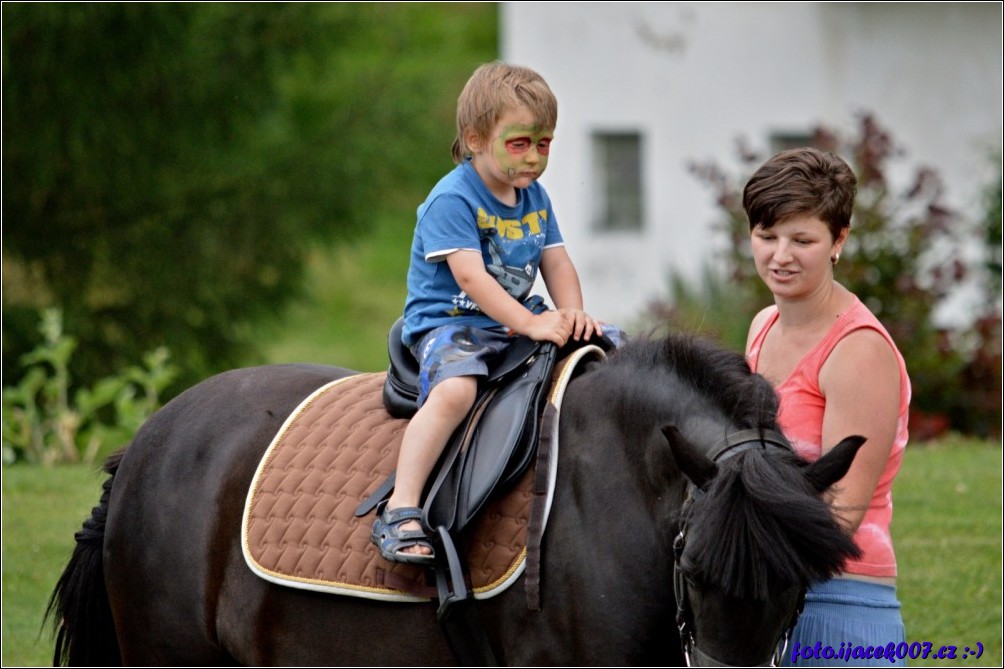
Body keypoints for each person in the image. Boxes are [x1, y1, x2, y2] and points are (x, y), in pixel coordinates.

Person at [372, 61, 622, 565]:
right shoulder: (452, 199)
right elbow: (471, 278)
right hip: (451, 322)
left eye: (544, 144)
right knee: (455, 392)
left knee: (614, 347)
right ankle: (401, 508)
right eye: (520, 143)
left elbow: (557, 261)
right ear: (475, 139)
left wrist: (574, 315)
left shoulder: (535, 196)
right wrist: (531, 323)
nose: (533, 157)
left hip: (515, 317)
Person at [742, 147, 910, 666]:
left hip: (840, 605)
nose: (780, 256)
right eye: (767, 235)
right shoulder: (762, 326)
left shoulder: (859, 351)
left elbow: (840, 517)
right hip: (763, 600)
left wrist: (734, 543)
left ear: (839, 240)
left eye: (803, 240)